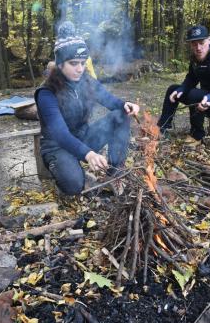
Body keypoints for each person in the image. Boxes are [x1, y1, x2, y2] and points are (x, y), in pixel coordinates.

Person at [34, 21, 139, 197]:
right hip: (57, 147)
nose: (80, 69)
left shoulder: (86, 81)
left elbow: (108, 99)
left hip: (83, 138)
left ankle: (114, 173)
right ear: (60, 64)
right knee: (74, 185)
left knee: (120, 115)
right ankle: (69, 172)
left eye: (83, 63)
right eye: (74, 63)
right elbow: (60, 134)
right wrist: (88, 154)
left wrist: (125, 104)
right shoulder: (46, 92)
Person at [157, 25, 210, 141]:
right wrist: (181, 89)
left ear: (209, 40)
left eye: (201, 42)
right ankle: (162, 129)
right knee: (173, 89)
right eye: (194, 44)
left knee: (194, 95)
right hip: (207, 98)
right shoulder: (195, 58)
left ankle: (197, 135)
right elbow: (192, 78)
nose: (198, 48)